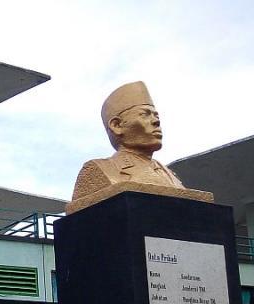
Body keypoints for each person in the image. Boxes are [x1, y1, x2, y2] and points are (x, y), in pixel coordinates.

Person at [69, 81, 187, 214]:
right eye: (145, 114)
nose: (156, 121)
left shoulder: (169, 174)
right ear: (117, 125)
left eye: (156, 115)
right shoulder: (97, 170)